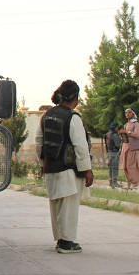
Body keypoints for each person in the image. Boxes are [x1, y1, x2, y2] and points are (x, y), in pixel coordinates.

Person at [36, 80, 94, 254]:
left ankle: (61, 239)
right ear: (75, 98)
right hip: (68, 170)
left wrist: (42, 163)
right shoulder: (72, 117)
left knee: (57, 206)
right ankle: (66, 242)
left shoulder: (46, 115)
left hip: (52, 168)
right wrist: (88, 170)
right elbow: (81, 146)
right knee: (69, 207)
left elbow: (39, 143)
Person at [119, 108, 139, 188]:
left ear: (133, 114)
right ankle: (129, 182)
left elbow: (136, 134)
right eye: (126, 113)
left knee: (131, 165)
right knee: (124, 166)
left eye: (129, 112)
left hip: (132, 146)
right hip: (125, 145)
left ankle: (134, 183)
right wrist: (121, 134)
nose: (127, 114)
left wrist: (127, 132)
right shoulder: (126, 124)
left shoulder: (136, 124)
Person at [104, 122, 121, 187]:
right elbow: (117, 145)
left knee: (110, 168)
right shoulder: (115, 135)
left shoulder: (107, 134)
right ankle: (114, 182)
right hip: (114, 152)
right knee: (115, 168)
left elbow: (105, 144)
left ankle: (110, 181)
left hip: (109, 152)